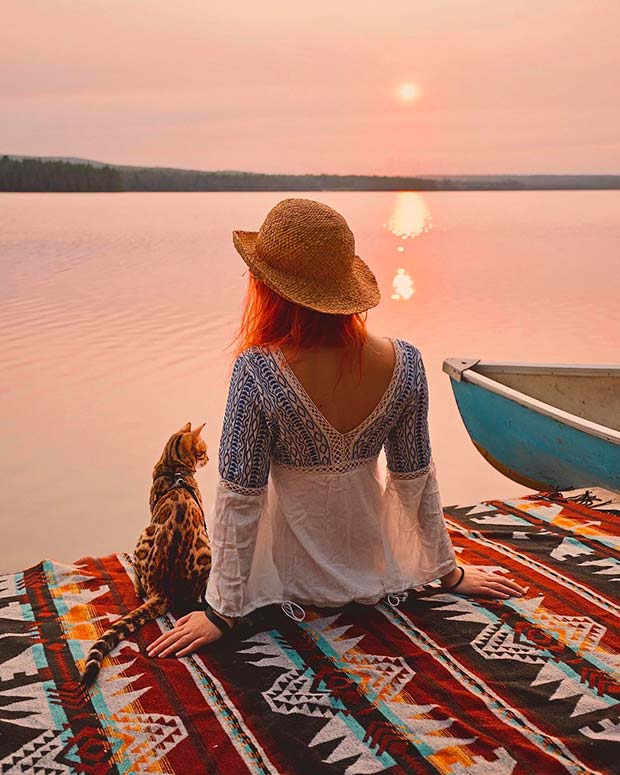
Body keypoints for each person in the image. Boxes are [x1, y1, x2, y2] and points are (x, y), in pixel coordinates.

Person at [147, 198, 526, 659]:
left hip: (285, 582)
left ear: (269, 288)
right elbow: (415, 481)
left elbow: (238, 499)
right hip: (375, 569)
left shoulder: (258, 370)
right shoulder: (405, 362)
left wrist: (221, 610)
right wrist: (447, 572)